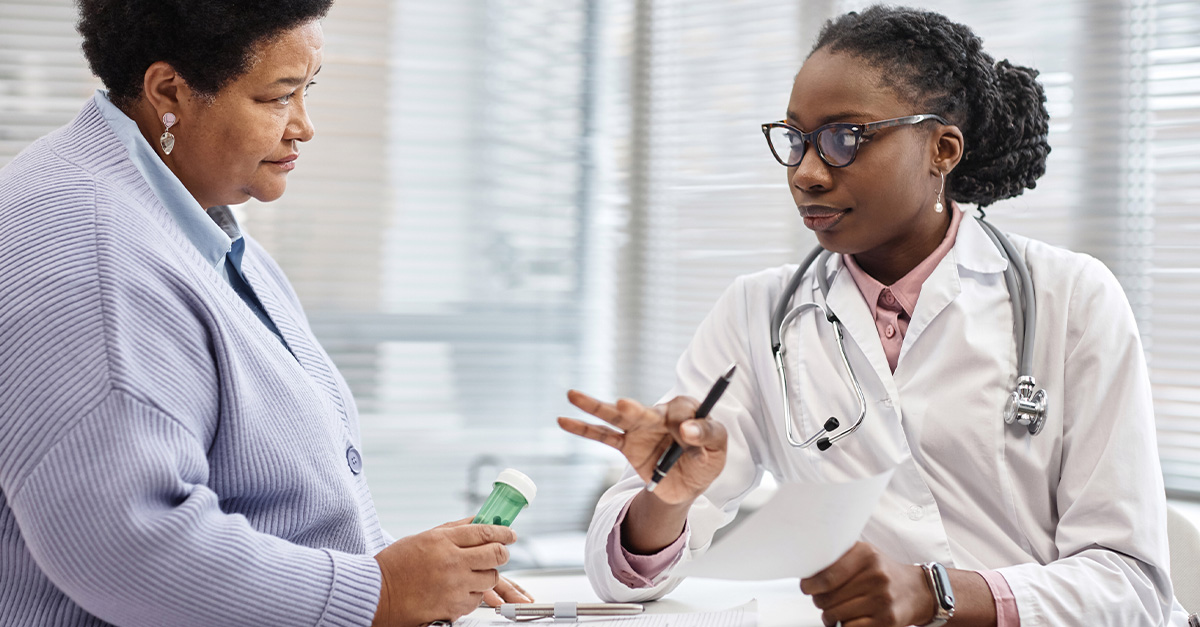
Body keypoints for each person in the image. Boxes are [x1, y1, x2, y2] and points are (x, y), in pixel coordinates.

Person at [558, 5, 1189, 626]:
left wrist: (938, 595)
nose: (806, 173)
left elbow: (1130, 585)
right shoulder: (758, 313)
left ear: (941, 149)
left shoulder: (1070, 297)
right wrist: (670, 497)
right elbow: (624, 583)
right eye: (796, 141)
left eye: (843, 138)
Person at [0, 2, 528, 625]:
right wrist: (378, 592)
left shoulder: (187, 222)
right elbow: (129, 550)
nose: (304, 126)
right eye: (277, 97)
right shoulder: (93, 254)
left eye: (308, 89)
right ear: (169, 90)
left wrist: (406, 571)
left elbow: (267, 500)